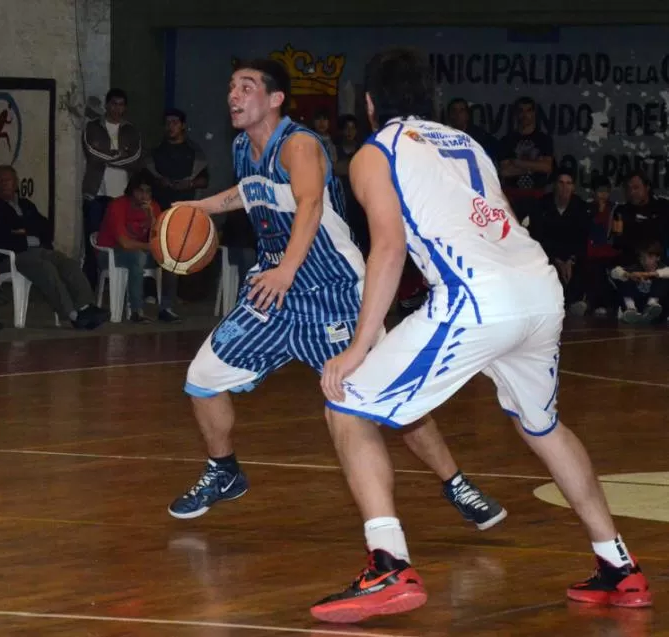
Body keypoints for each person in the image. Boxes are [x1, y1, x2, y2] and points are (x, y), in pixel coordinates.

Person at [312, 48, 651, 624]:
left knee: (346, 404)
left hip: (476, 298)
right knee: (541, 425)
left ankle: (389, 563)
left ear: (369, 103)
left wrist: (360, 344)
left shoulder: (375, 152)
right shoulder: (466, 144)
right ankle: (618, 564)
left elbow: (389, 249)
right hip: (540, 292)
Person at [166, 59, 506, 534]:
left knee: (390, 399)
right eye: (230, 87)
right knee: (202, 378)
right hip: (273, 294)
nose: (233, 96)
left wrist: (288, 268)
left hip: (334, 295)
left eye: (246, 87)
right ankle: (224, 471)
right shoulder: (245, 146)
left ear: (276, 98)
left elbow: (309, 203)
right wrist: (197, 207)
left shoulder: (300, 145)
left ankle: (455, 483)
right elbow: (250, 192)